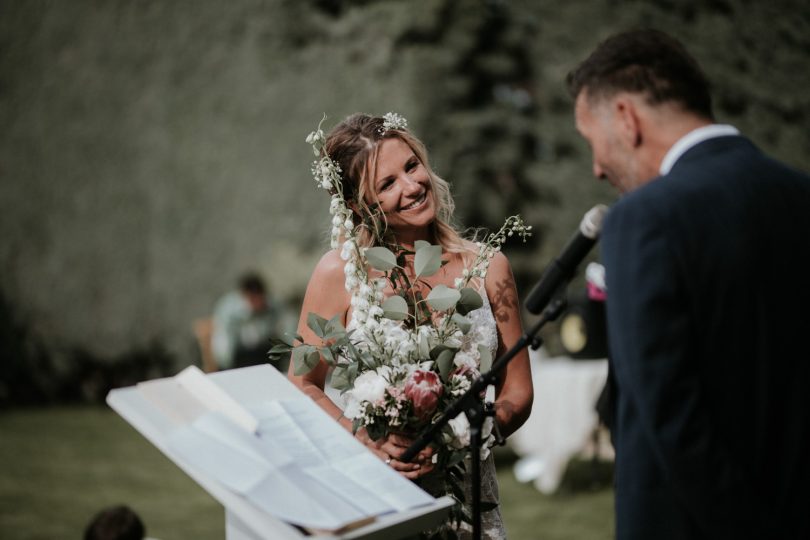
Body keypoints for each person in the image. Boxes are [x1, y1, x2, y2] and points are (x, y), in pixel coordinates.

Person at [567, 29, 810, 539]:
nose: (595, 169)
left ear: (626, 119)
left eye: (594, 142)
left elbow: (669, 414)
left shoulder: (643, 218)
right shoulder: (798, 194)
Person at [288, 113, 533, 538]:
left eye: (412, 166)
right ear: (356, 206)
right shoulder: (339, 274)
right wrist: (363, 437)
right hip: (375, 497)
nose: (412, 185)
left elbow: (518, 389)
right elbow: (302, 383)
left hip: (470, 499)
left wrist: (467, 434)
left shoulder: (489, 267)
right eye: (387, 184)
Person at [211, 272, 285, 371]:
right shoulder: (229, 308)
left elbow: (283, 327)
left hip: (263, 353)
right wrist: (226, 364)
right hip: (238, 357)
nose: (258, 303)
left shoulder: (271, 304)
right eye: (253, 299)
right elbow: (223, 342)